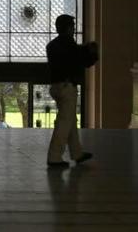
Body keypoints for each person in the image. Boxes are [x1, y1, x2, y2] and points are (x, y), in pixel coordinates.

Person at [46, 14, 98, 168]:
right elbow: (82, 61)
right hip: (67, 87)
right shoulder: (70, 45)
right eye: (72, 26)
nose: (74, 29)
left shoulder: (51, 45)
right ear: (68, 28)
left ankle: (77, 153)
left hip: (56, 87)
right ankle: (54, 157)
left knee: (70, 121)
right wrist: (91, 51)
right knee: (64, 123)